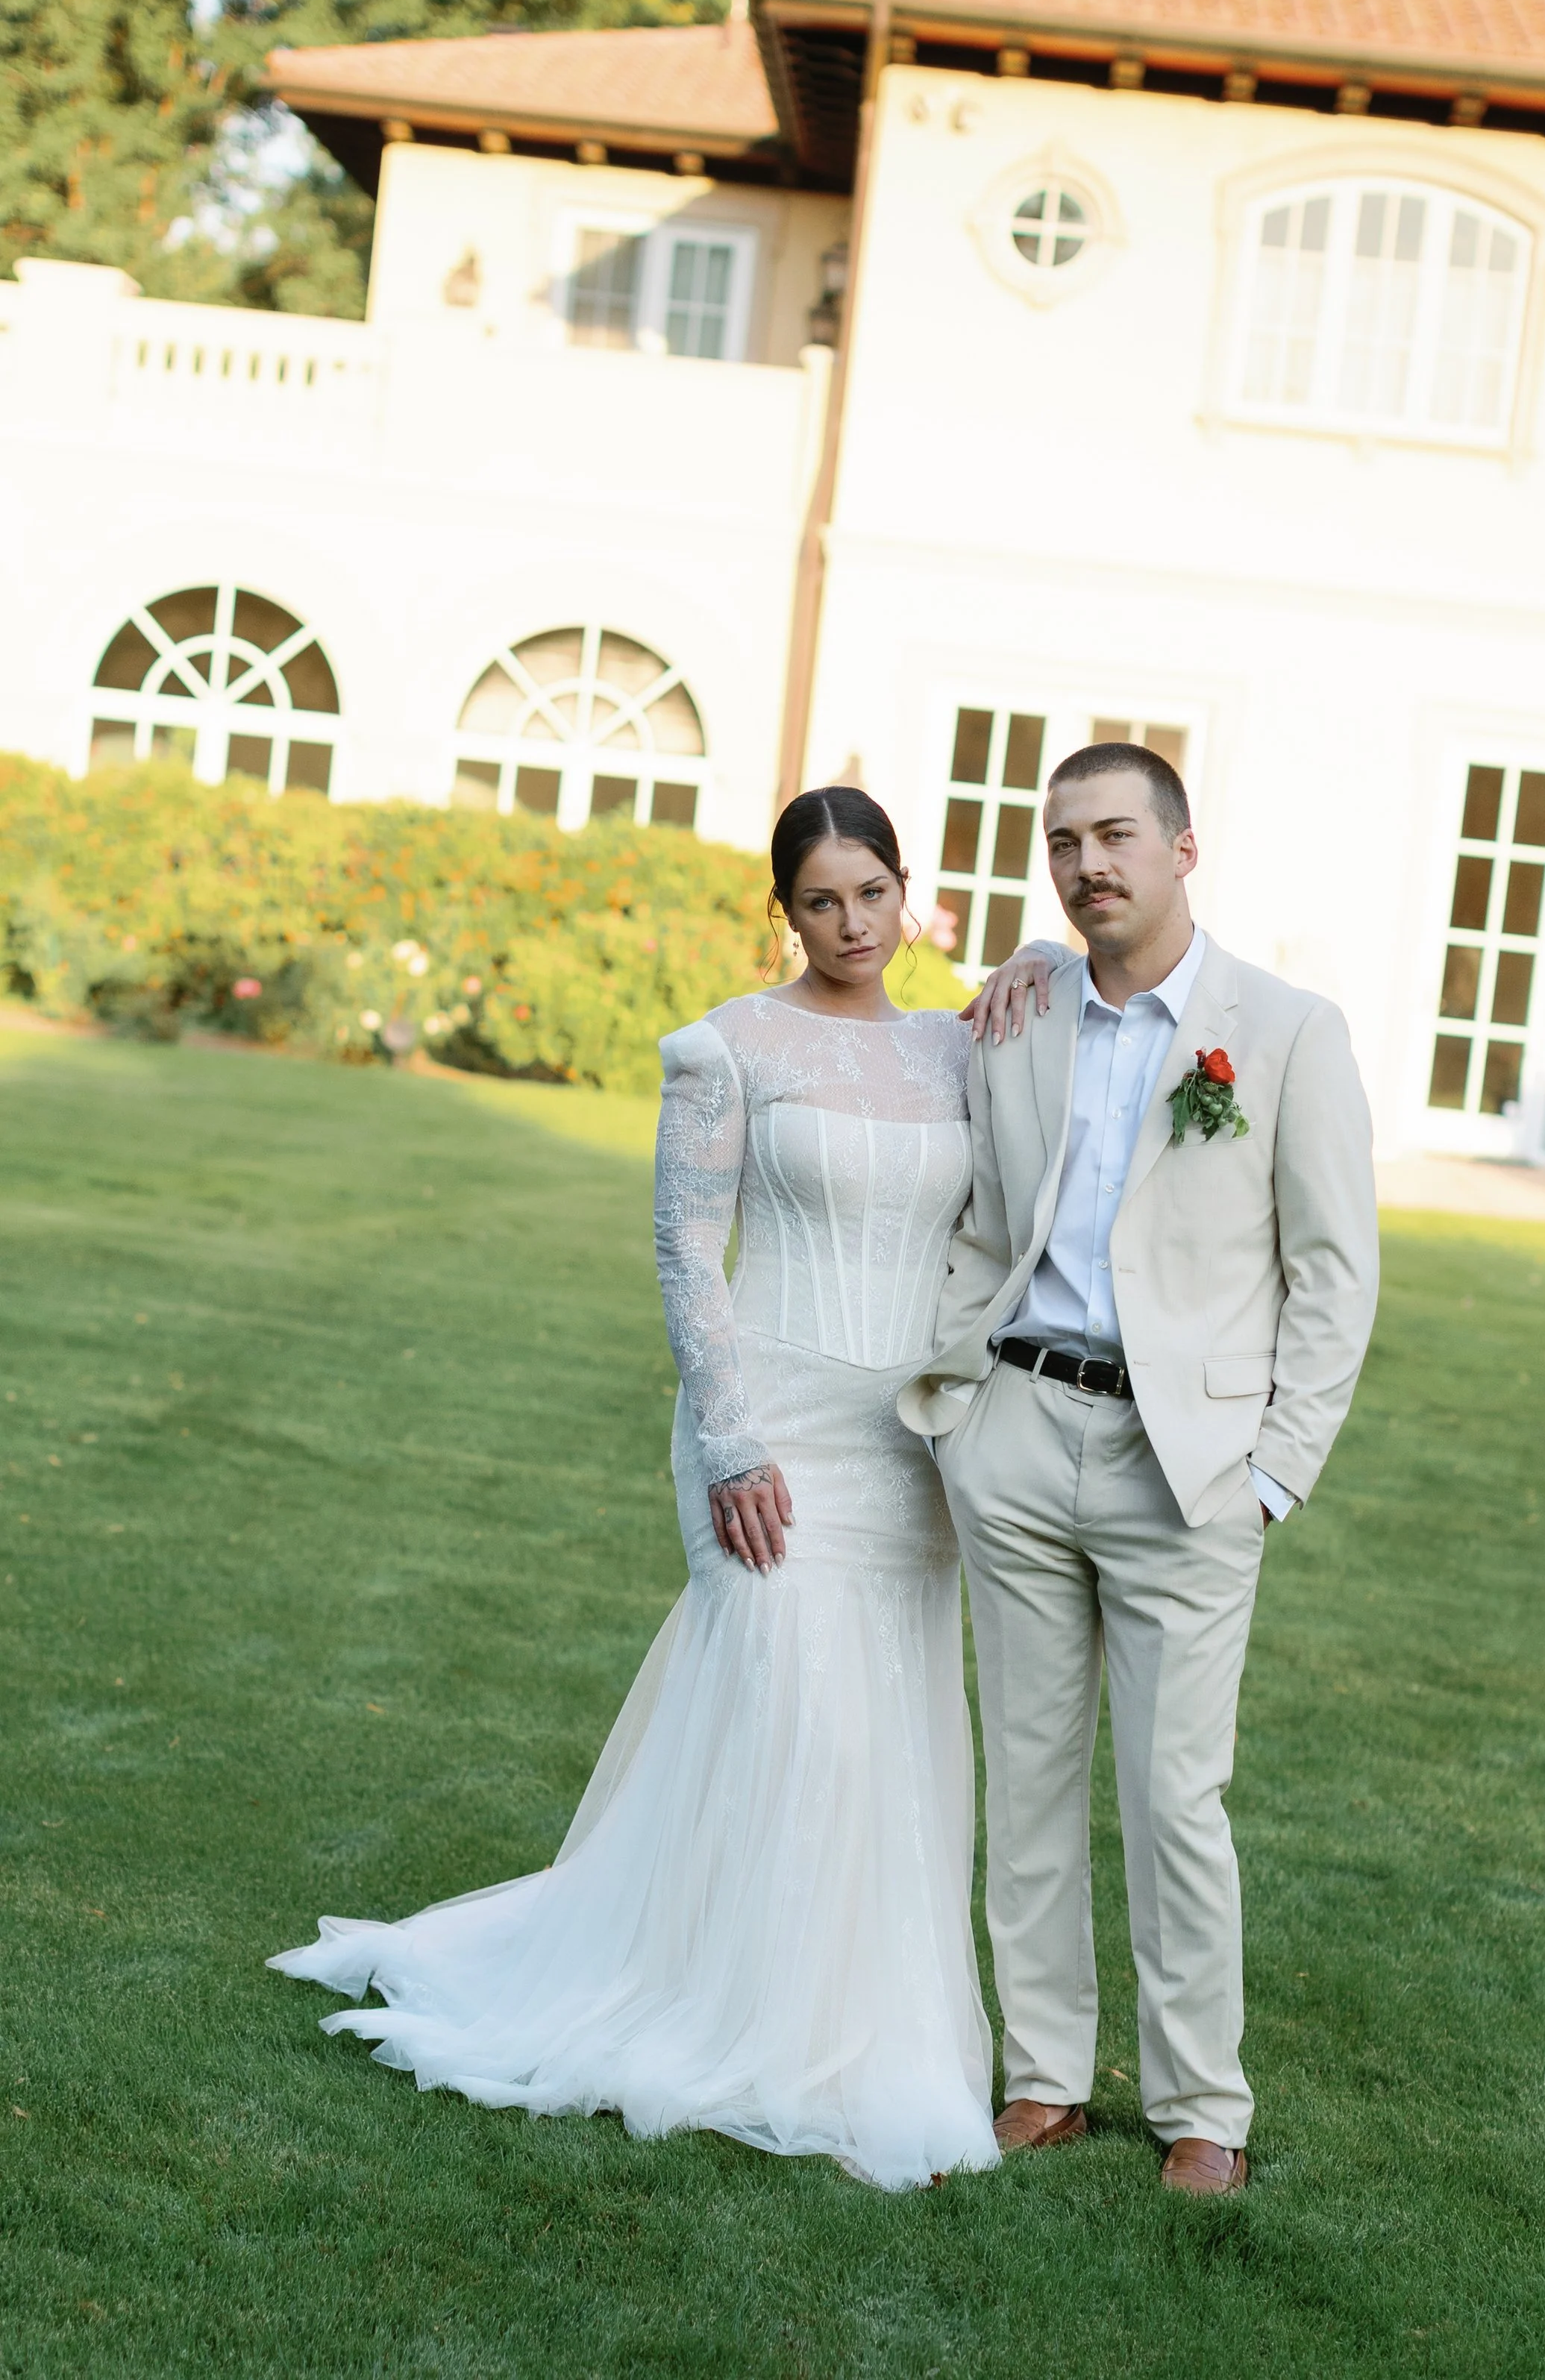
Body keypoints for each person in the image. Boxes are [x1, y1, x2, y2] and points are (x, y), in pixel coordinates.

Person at [269, 786, 1056, 2191]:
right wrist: (733, 1439)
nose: (852, 924)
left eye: (874, 893)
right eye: (821, 899)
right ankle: (729, 2008)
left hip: (909, 1441)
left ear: (909, 891)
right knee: (796, 1715)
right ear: (784, 910)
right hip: (770, 1424)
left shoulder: (959, 1049)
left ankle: (857, 2026)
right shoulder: (728, 1047)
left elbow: (1064, 1039)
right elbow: (689, 1258)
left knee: (889, 1727)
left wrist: (1033, 962)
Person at [900, 741, 1379, 2196]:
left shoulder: (1283, 1031)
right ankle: (1042, 2077)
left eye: (1114, 835)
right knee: (1027, 1779)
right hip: (1018, 1432)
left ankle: (1199, 2108)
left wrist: (1273, 1472)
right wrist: (956, 1400)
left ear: (1182, 849)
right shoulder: (1021, 1011)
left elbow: (1333, 1271)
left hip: (1194, 1466)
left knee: (1175, 1797)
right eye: (1061, 842)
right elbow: (978, 1209)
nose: (1086, 861)